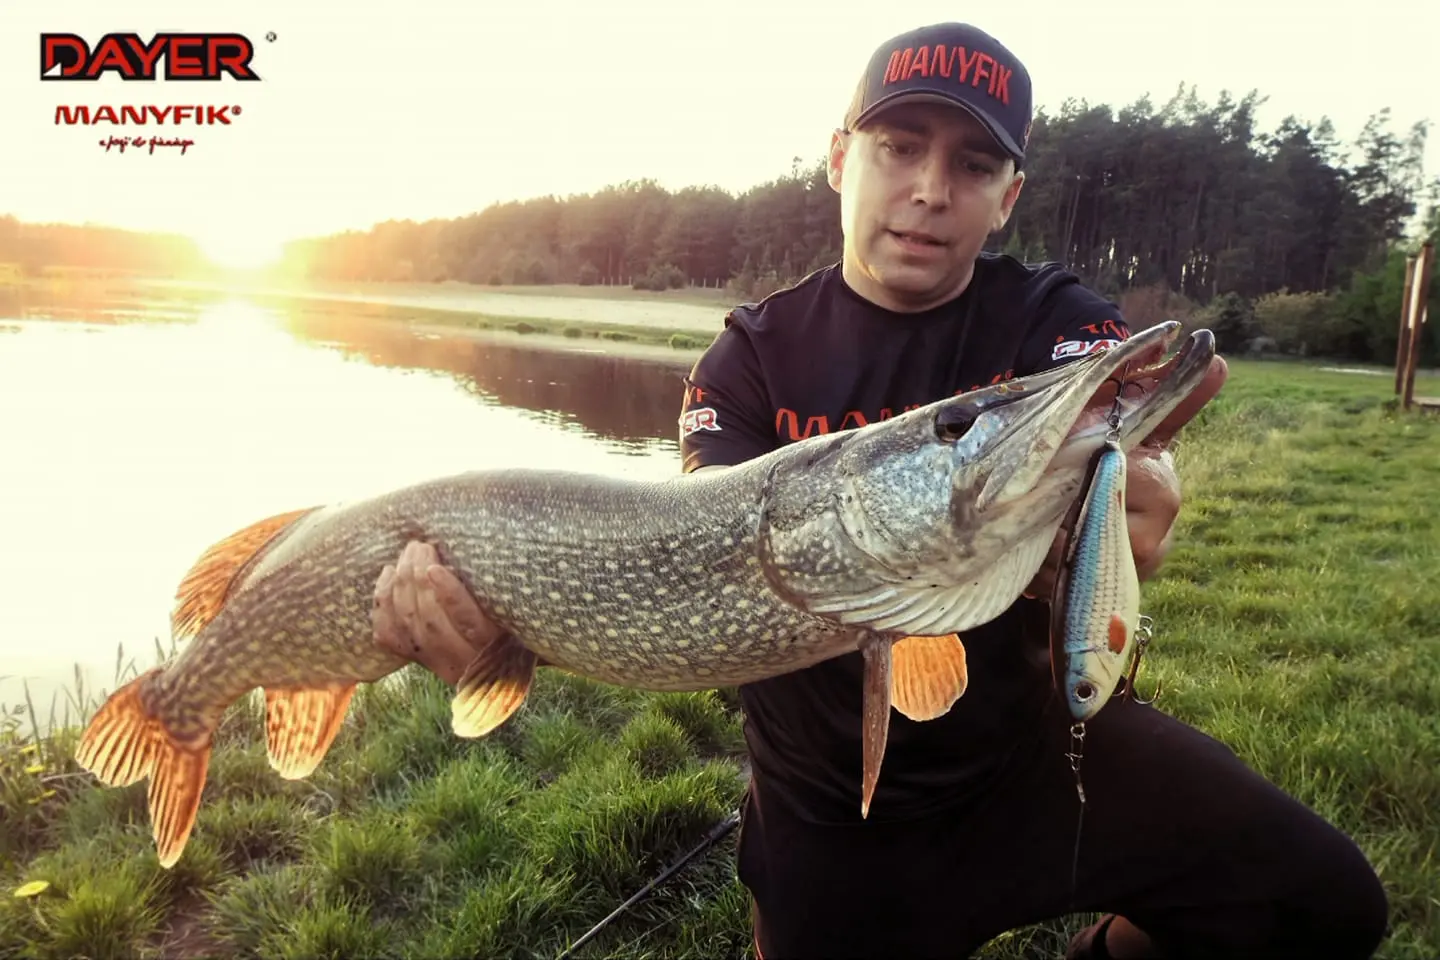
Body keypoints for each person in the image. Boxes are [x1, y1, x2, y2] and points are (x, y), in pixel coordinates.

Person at [370, 21, 1390, 960]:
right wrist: (490, 624)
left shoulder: (1052, 317)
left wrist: (1136, 489)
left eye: (974, 164)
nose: (931, 189)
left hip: (1040, 760)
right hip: (830, 810)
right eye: (899, 146)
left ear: (1009, 196)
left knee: (1323, 906)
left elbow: (1104, 406)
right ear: (838, 158)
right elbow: (710, 526)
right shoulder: (749, 358)